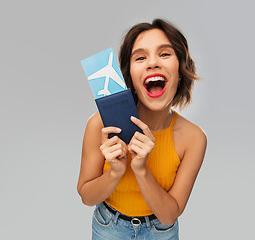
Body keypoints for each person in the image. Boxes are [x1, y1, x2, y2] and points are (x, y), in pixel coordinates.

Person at [77, 18, 207, 239]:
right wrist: (115, 172)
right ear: (130, 75)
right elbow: (87, 198)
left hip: (161, 232)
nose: (153, 63)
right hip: (108, 227)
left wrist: (141, 169)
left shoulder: (193, 138)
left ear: (181, 69)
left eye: (165, 54)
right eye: (140, 57)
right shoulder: (99, 125)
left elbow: (169, 216)